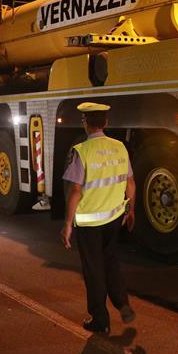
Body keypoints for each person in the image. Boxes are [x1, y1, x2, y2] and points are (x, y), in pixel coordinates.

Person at [61, 102, 136, 335]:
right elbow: (130, 183)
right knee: (110, 261)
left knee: (93, 269)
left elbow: (75, 190)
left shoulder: (81, 151)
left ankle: (99, 320)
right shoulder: (120, 147)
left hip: (90, 222)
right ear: (106, 123)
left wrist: (67, 224)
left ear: (85, 124)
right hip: (114, 218)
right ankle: (122, 303)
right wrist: (130, 210)